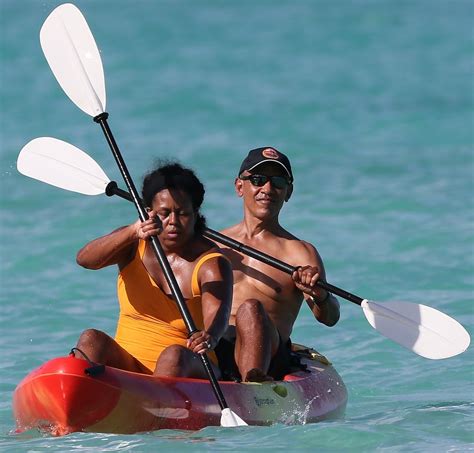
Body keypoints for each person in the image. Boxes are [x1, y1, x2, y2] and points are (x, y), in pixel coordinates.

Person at [73, 162, 233, 379]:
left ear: (195, 213)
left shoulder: (211, 262)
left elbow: (218, 314)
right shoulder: (132, 243)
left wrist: (210, 336)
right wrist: (131, 231)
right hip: (129, 363)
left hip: (189, 366)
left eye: (183, 213)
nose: (173, 222)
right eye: (165, 213)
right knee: (90, 339)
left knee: (173, 355)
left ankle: (158, 408)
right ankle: (79, 403)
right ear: (148, 212)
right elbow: (85, 260)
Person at [215, 147, 340, 382]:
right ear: (239, 186)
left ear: (288, 192)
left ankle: (253, 386)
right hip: (214, 348)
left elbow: (330, 318)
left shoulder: (300, 252)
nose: (268, 189)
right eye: (258, 180)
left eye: (279, 181)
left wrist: (320, 295)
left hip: (270, 356)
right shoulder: (213, 244)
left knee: (251, 309)